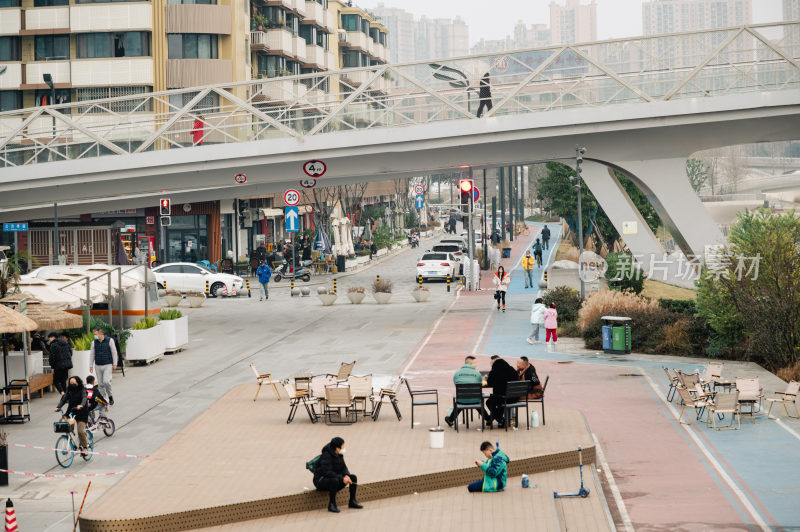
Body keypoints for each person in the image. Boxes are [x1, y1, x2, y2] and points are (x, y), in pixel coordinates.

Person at [313, 437, 362, 513]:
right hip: (321, 480)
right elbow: (327, 472)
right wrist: (342, 478)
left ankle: (352, 501)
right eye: (342, 446)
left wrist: (346, 475)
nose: (343, 448)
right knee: (334, 481)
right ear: (337, 448)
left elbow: (344, 467)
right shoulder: (326, 455)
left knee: (353, 477)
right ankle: (332, 504)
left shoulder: (339, 454)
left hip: (335, 477)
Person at [444, 356, 487, 427]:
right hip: (475, 399)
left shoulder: (457, 373)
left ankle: (451, 420)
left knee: (460, 402)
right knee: (478, 401)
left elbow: (456, 385)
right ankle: (488, 419)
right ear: (471, 363)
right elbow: (480, 386)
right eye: (475, 363)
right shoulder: (477, 374)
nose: (476, 365)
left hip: (461, 399)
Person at [54, 376, 89, 455]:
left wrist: (81, 405)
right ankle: (71, 436)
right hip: (71, 411)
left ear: (78, 382)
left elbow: (84, 398)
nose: (72, 384)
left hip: (81, 413)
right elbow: (64, 399)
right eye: (71, 383)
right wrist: (58, 407)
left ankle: (85, 447)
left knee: (80, 431)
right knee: (62, 421)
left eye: (74, 383)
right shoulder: (69, 390)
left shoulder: (82, 390)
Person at [485, 356, 518, 427]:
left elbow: (489, 383)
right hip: (514, 398)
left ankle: (500, 420)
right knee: (500, 404)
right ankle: (499, 420)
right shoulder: (512, 369)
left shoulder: (494, 372)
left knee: (489, 402)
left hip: (502, 398)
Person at [89, 328, 118, 406]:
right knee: (101, 384)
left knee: (106, 381)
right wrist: (91, 365)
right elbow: (92, 354)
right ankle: (104, 399)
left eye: (96, 334)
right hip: (98, 365)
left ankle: (110, 396)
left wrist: (115, 363)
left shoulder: (110, 340)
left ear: (101, 333)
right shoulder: (94, 342)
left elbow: (114, 352)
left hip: (107, 364)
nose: (94, 336)